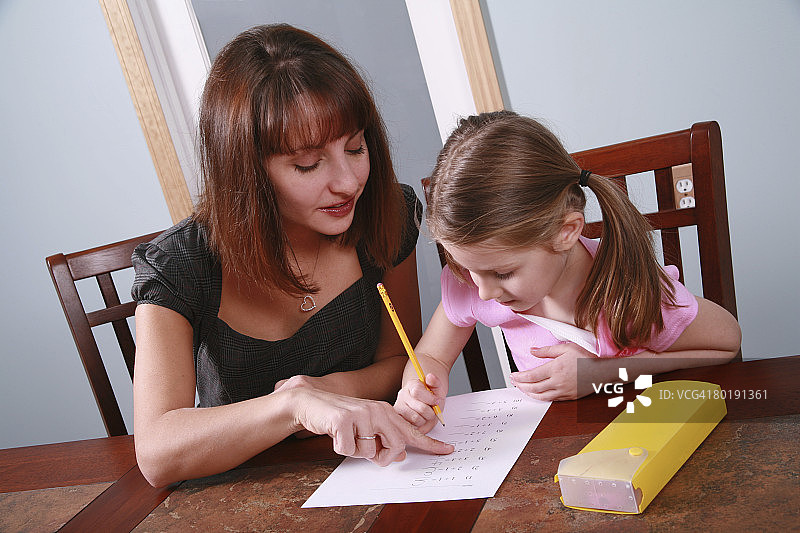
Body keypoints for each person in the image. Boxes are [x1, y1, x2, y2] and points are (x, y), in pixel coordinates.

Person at [131, 24, 452, 488]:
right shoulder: (181, 266)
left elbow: (400, 362)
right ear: (245, 169)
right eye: (308, 164)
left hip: (372, 471)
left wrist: (327, 391)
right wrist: (292, 406)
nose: (347, 182)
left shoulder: (385, 212)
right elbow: (158, 453)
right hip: (240, 491)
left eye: (356, 147)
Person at [394, 111, 742, 433]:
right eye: (468, 269)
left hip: (639, 439)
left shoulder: (627, 293)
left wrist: (603, 374)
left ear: (566, 232)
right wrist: (418, 385)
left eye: (502, 273)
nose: (483, 292)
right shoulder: (475, 284)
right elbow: (429, 356)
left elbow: (726, 345)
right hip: (551, 445)